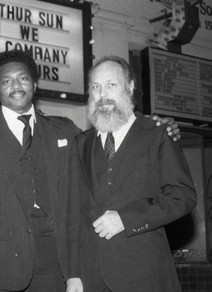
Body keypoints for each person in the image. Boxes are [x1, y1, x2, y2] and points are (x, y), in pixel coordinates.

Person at [0, 50, 181, 292]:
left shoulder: (64, 130)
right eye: (6, 81)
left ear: (35, 84)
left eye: (23, 78)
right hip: (5, 266)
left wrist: (150, 123)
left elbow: (109, 132)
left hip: (61, 266)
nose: (16, 86)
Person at [65, 56, 196, 292]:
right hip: (91, 278)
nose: (102, 94)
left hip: (145, 275)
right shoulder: (80, 143)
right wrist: (73, 274)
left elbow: (183, 196)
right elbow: (73, 214)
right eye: (96, 87)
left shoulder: (156, 134)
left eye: (111, 85)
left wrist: (126, 219)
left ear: (130, 87)